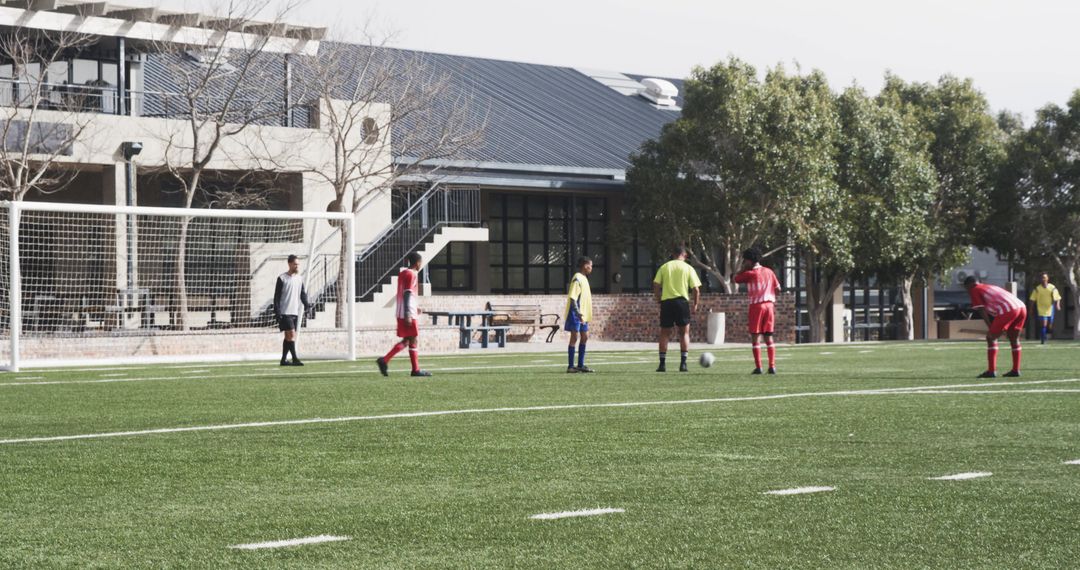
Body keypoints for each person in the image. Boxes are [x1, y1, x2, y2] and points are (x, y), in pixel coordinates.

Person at [377, 252, 431, 377]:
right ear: (417, 263)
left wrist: (414, 307)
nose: (420, 265)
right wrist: (408, 311)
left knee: (410, 339)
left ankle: (413, 369)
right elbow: (407, 293)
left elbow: (405, 293)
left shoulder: (402, 274)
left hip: (401, 310)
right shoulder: (412, 274)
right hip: (407, 312)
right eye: (420, 262)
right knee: (411, 339)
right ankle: (386, 360)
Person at [964, 276, 1026, 378]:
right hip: (1021, 306)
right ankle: (1016, 370)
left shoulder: (974, 289)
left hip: (1009, 309)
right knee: (1014, 339)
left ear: (968, 286)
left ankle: (991, 371)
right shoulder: (989, 286)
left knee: (990, 337)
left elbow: (981, 309)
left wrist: (990, 327)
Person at [652, 246, 701, 372]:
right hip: (682, 302)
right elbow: (696, 289)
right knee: (684, 332)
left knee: (664, 333)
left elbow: (656, 284)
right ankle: (683, 364)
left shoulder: (665, 267)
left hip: (667, 302)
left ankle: (662, 364)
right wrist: (695, 304)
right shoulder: (688, 268)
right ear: (684, 255)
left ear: (673, 254)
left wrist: (658, 298)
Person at [734, 248, 782, 374]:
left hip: (757, 306)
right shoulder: (769, 271)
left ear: (749, 260)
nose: (744, 262)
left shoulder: (750, 273)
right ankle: (772, 366)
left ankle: (759, 367)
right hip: (770, 305)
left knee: (756, 337)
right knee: (769, 336)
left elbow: (735, 278)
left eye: (745, 260)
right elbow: (778, 288)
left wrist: (743, 268)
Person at [273, 254, 311, 366]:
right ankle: (295, 358)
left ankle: (283, 360)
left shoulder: (299, 279)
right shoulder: (282, 278)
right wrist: (277, 311)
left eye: (298, 264)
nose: (297, 266)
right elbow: (277, 297)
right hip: (285, 312)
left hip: (294, 311)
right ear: (289, 264)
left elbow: (302, 294)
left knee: (288, 337)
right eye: (295, 264)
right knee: (292, 335)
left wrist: (307, 305)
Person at [564, 256, 594, 374]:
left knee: (585, 337)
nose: (591, 268)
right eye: (590, 266)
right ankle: (571, 366)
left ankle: (580, 365)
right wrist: (577, 312)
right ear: (585, 266)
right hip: (576, 314)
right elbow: (573, 297)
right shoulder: (577, 278)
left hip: (583, 315)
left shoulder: (585, 278)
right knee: (574, 337)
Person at [1029, 272, 1062, 345]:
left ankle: (1047, 335)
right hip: (1041, 309)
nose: (1043, 279)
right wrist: (1031, 309)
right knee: (1043, 324)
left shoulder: (1052, 288)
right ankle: (1043, 339)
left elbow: (1058, 297)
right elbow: (1032, 299)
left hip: (1050, 309)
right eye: (1042, 278)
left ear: (1047, 278)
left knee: (1050, 326)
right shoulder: (1037, 289)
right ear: (1040, 279)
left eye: (1044, 277)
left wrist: (1058, 305)